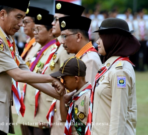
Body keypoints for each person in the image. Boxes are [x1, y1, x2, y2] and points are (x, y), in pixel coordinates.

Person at [0, 0, 63, 135]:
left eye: (23, 18)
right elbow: (18, 75)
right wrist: (51, 78)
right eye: (18, 17)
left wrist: (61, 96)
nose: (21, 24)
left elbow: (26, 74)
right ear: (3, 14)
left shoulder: (7, 39)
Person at [42, 1, 85, 135]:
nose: (52, 23)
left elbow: (82, 93)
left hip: (70, 120)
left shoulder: (68, 48)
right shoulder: (60, 47)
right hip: (60, 113)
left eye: (56, 19)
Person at [92, 18, 140, 135]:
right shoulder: (111, 66)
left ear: (113, 39)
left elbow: (118, 117)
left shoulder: (120, 71)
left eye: (101, 37)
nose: (97, 41)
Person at [51, 57, 93, 135]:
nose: (63, 84)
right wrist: (61, 95)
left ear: (76, 79)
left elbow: (91, 125)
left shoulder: (88, 96)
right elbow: (64, 118)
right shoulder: (76, 94)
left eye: (64, 80)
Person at [58, 16, 102, 86]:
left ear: (78, 37)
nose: (62, 42)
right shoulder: (82, 57)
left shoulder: (90, 60)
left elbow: (87, 94)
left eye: (64, 36)